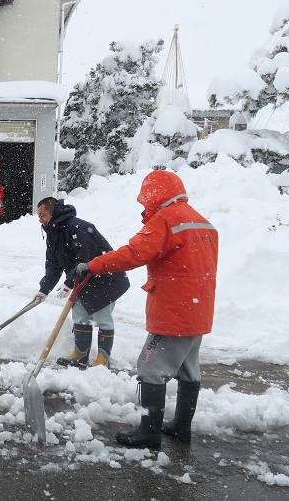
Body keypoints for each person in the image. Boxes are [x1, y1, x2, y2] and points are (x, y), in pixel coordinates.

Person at [75, 169, 218, 449]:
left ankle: (149, 432)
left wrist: (93, 265)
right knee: (188, 370)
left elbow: (134, 253)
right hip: (197, 311)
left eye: (145, 200)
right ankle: (180, 427)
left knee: (150, 367)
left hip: (173, 313)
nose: (144, 205)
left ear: (156, 194)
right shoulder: (203, 223)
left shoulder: (167, 220)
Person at [35, 197, 130, 368]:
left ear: (53, 212)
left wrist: (68, 283)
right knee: (79, 315)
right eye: (38, 216)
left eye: (42, 215)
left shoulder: (78, 227)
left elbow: (86, 259)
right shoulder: (53, 232)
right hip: (82, 280)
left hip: (105, 278)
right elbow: (53, 264)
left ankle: (102, 359)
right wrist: (44, 289)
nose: (40, 219)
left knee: (102, 317)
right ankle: (80, 354)